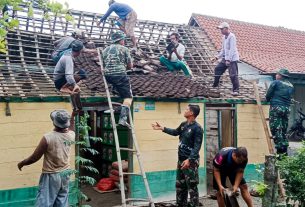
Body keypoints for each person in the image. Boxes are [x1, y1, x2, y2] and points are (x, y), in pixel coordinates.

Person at [17, 109, 76, 207]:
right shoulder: (70, 135)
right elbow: (72, 128)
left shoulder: (48, 138)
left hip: (51, 175)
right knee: (62, 202)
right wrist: (73, 116)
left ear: (54, 123)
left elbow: (34, 158)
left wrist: (22, 163)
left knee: (45, 203)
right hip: (66, 173)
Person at [152, 104, 203, 207]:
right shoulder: (184, 124)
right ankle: (181, 204)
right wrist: (163, 128)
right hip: (181, 161)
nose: (185, 111)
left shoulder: (197, 128)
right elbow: (175, 132)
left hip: (191, 162)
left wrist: (190, 160)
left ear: (192, 113)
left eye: (187, 109)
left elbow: (197, 147)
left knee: (192, 187)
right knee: (180, 186)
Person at [102, 31, 133, 127]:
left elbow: (104, 64)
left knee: (119, 90)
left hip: (108, 76)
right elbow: (130, 66)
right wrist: (128, 66)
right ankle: (123, 119)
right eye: (123, 39)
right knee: (128, 97)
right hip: (119, 75)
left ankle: (115, 91)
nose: (124, 41)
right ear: (120, 40)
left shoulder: (105, 50)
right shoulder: (124, 49)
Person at [266, 68, 294, 154]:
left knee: (276, 128)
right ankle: (285, 148)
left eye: (277, 74)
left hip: (276, 107)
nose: (276, 75)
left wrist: (268, 99)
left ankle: (280, 151)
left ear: (281, 76)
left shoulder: (276, 82)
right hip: (286, 109)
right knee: (283, 128)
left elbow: (268, 95)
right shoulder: (291, 85)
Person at [212, 22, 240, 96]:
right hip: (225, 58)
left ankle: (236, 90)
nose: (221, 31)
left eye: (222, 29)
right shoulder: (224, 38)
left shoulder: (232, 37)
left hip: (232, 58)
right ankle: (215, 84)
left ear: (226, 29)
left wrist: (229, 60)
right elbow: (223, 50)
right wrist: (217, 57)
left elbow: (232, 49)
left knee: (233, 75)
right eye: (220, 29)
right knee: (218, 69)